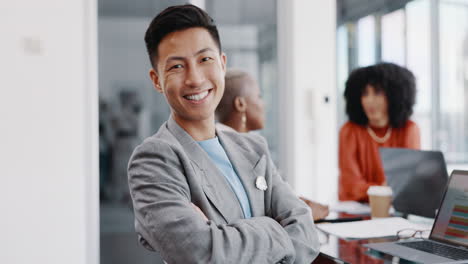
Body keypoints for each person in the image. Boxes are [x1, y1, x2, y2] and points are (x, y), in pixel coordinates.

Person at [127, 4, 319, 263]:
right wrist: (274, 227)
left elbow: (307, 236)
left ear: (222, 64)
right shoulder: (153, 161)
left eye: (205, 59)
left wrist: (224, 236)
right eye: (176, 67)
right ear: (157, 80)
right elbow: (201, 253)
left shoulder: (253, 147)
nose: (194, 79)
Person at [216, 68, 329, 221]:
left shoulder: (245, 145)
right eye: (259, 96)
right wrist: (305, 212)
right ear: (240, 104)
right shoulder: (232, 152)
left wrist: (293, 203)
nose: (264, 104)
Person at [338, 62, 420, 202]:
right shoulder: (349, 131)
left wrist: (373, 189)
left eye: (377, 92)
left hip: (395, 210)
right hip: (354, 214)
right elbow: (350, 187)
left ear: (394, 95)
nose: (369, 101)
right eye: (365, 93)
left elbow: (408, 183)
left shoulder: (409, 129)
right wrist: (385, 189)